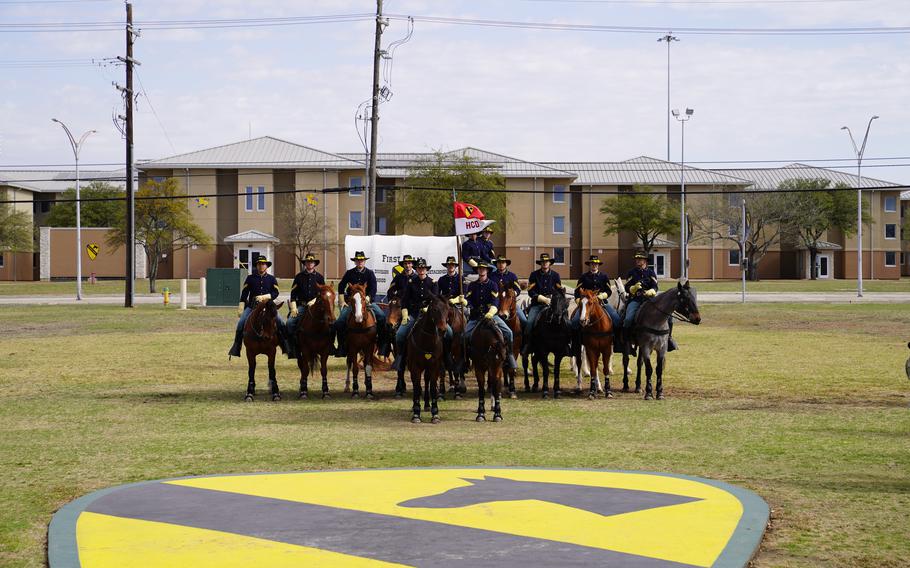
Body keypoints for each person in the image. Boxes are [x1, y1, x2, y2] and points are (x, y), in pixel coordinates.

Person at [392, 258, 453, 371]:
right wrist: (405, 314)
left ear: (426, 270)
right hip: (414, 314)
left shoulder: (433, 283)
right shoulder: (411, 283)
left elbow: (436, 300)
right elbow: (405, 301)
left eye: (423, 268)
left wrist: (428, 308)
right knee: (400, 334)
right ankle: (400, 358)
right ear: (417, 269)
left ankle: (446, 356)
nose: (421, 270)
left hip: (431, 316)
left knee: (449, 333)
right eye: (419, 268)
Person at [228, 256, 291, 358]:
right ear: (257, 266)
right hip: (253, 307)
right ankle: (236, 346)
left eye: (263, 264)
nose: (261, 266)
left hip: (269, 306)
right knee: (241, 323)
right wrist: (241, 305)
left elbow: (276, 292)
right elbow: (244, 293)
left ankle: (286, 345)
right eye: (259, 264)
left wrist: (266, 296)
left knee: (280, 322)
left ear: (266, 266)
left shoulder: (271, 279)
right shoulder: (250, 278)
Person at [334, 251, 389, 357]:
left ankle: (382, 344)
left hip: (367, 302)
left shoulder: (370, 273)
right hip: (352, 304)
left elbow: (373, 288)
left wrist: (368, 298)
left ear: (364, 261)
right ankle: (341, 346)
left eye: (362, 260)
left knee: (382, 317)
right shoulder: (349, 273)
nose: (360, 262)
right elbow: (341, 286)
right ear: (355, 262)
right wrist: (342, 301)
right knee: (339, 322)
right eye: (358, 260)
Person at [464, 261, 517, 370]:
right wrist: (469, 305)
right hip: (476, 317)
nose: (481, 270)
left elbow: (495, 301)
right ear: (477, 270)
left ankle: (510, 357)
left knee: (509, 333)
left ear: (487, 270)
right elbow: (468, 300)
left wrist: (491, 311)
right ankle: (464, 360)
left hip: (491, 315)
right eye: (479, 269)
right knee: (463, 336)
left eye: (483, 269)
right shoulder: (472, 285)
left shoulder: (493, 285)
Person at [623, 251, 677, 352]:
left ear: (645, 261)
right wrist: (633, 288)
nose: (638, 260)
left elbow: (655, 286)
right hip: (636, 299)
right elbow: (626, 287)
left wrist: (651, 291)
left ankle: (668, 339)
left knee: (669, 317)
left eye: (640, 259)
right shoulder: (632, 272)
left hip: (650, 300)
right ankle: (627, 341)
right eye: (637, 259)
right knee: (628, 319)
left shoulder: (651, 272)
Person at [571, 255, 622, 354]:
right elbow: (577, 291)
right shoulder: (583, 277)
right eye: (592, 264)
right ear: (589, 265)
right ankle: (575, 346)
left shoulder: (604, 276)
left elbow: (609, 291)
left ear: (598, 265)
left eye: (596, 264)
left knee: (617, 319)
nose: (594, 265)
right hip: (586, 304)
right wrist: (579, 301)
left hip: (602, 303)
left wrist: (602, 296)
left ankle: (617, 344)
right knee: (574, 321)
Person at [285, 252, 326, 359]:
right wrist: (293, 307)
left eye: (311, 262)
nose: (310, 264)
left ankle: (329, 346)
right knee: (289, 323)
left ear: (314, 264)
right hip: (302, 306)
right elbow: (293, 294)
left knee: (330, 323)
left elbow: (323, 294)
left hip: (317, 306)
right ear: (305, 263)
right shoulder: (299, 277)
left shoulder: (320, 277)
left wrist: (315, 300)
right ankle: (291, 347)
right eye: (308, 262)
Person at [523, 252, 563, 354]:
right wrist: (540, 298)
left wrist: (554, 297)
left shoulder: (555, 275)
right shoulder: (534, 275)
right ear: (540, 263)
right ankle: (527, 344)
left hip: (551, 305)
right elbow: (530, 291)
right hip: (537, 304)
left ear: (550, 263)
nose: (545, 263)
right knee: (529, 323)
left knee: (563, 321)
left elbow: (559, 291)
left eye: (546, 262)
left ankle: (565, 344)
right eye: (543, 262)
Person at [490, 254, 526, 328]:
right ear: (496, 264)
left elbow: (518, 289)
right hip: (495, 303)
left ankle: (525, 338)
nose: (501, 265)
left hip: (509, 302)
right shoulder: (491, 276)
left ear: (506, 264)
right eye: (499, 263)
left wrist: (513, 293)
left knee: (524, 320)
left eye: (503, 263)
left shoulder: (512, 276)